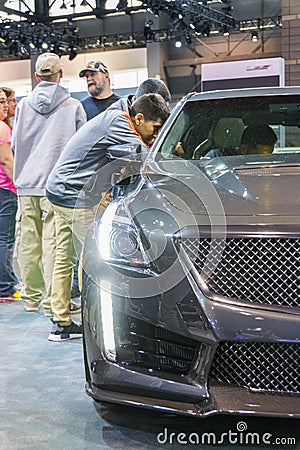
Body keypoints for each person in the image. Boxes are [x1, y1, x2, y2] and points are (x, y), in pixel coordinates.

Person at [46, 93, 170, 342]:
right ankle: (100, 327)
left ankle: (60, 321)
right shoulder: (119, 121)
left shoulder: (114, 116)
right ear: (139, 117)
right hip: (74, 195)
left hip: (57, 190)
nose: (155, 134)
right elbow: (145, 158)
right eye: (155, 128)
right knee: (95, 262)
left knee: (65, 257)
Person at [12, 52, 86, 317]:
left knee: (28, 242)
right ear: (61, 74)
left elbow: (14, 145)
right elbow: (81, 148)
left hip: (26, 183)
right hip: (57, 186)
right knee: (54, 244)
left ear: (36, 76)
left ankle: (32, 298)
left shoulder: (21, 106)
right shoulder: (73, 107)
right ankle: (52, 302)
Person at [0, 89, 19, 301]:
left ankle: (7, 281)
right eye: (1, 102)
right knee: (5, 240)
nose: (5, 105)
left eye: (6, 101)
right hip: (6, 190)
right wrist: (18, 186)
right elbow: (7, 162)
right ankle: (5, 288)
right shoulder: (2, 127)